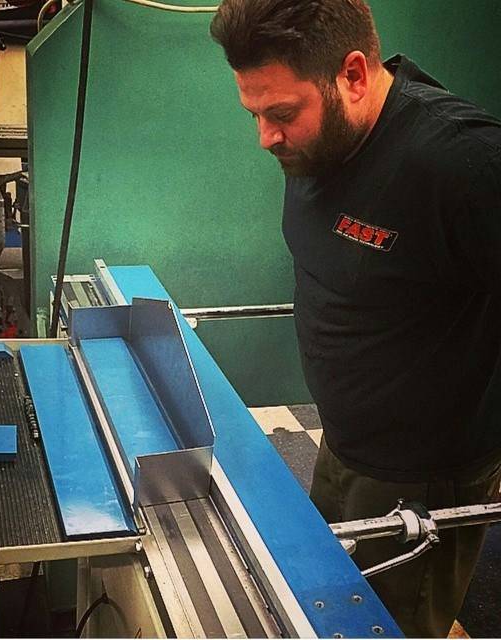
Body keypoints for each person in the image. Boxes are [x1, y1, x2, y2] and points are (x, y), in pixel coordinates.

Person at [210, 0, 501, 637]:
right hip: (342, 443)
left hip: (423, 478)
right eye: (254, 114)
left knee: (386, 628)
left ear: (353, 75)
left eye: (281, 114)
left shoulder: (464, 162)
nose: (265, 137)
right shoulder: (318, 145)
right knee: (324, 607)